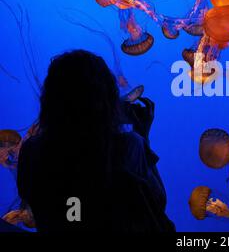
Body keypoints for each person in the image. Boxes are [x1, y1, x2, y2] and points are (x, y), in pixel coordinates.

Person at [16, 50, 175, 232]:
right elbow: (157, 203)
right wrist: (143, 136)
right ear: (107, 98)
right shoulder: (128, 146)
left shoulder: (31, 150)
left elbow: (33, 202)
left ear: (50, 97)